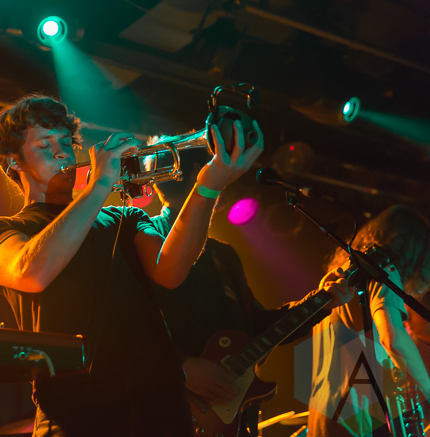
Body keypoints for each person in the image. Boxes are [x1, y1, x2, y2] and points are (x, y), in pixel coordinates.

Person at [0, 93, 265, 436]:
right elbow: (32, 272)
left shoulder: (123, 218)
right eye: (45, 144)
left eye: (66, 142)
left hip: (162, 408)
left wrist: (208, 186)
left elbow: (171, 272)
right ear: (14, 162)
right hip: (76, 413)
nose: (63, 152)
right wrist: (99, 185)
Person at [144, 146, 357, 437]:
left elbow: (255, 328)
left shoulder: (223, 255)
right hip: (165, 410)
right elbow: (126, 326)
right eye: (219, 166)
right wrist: (182, 366)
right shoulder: (147, 239)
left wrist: (322, 300)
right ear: (198, 174)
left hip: (231, 419)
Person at [307, 205, 430, 437]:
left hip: (323, 417)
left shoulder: (344, 274)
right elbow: (393, 340)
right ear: (417, 253)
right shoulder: (383, 271)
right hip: (357, 421)